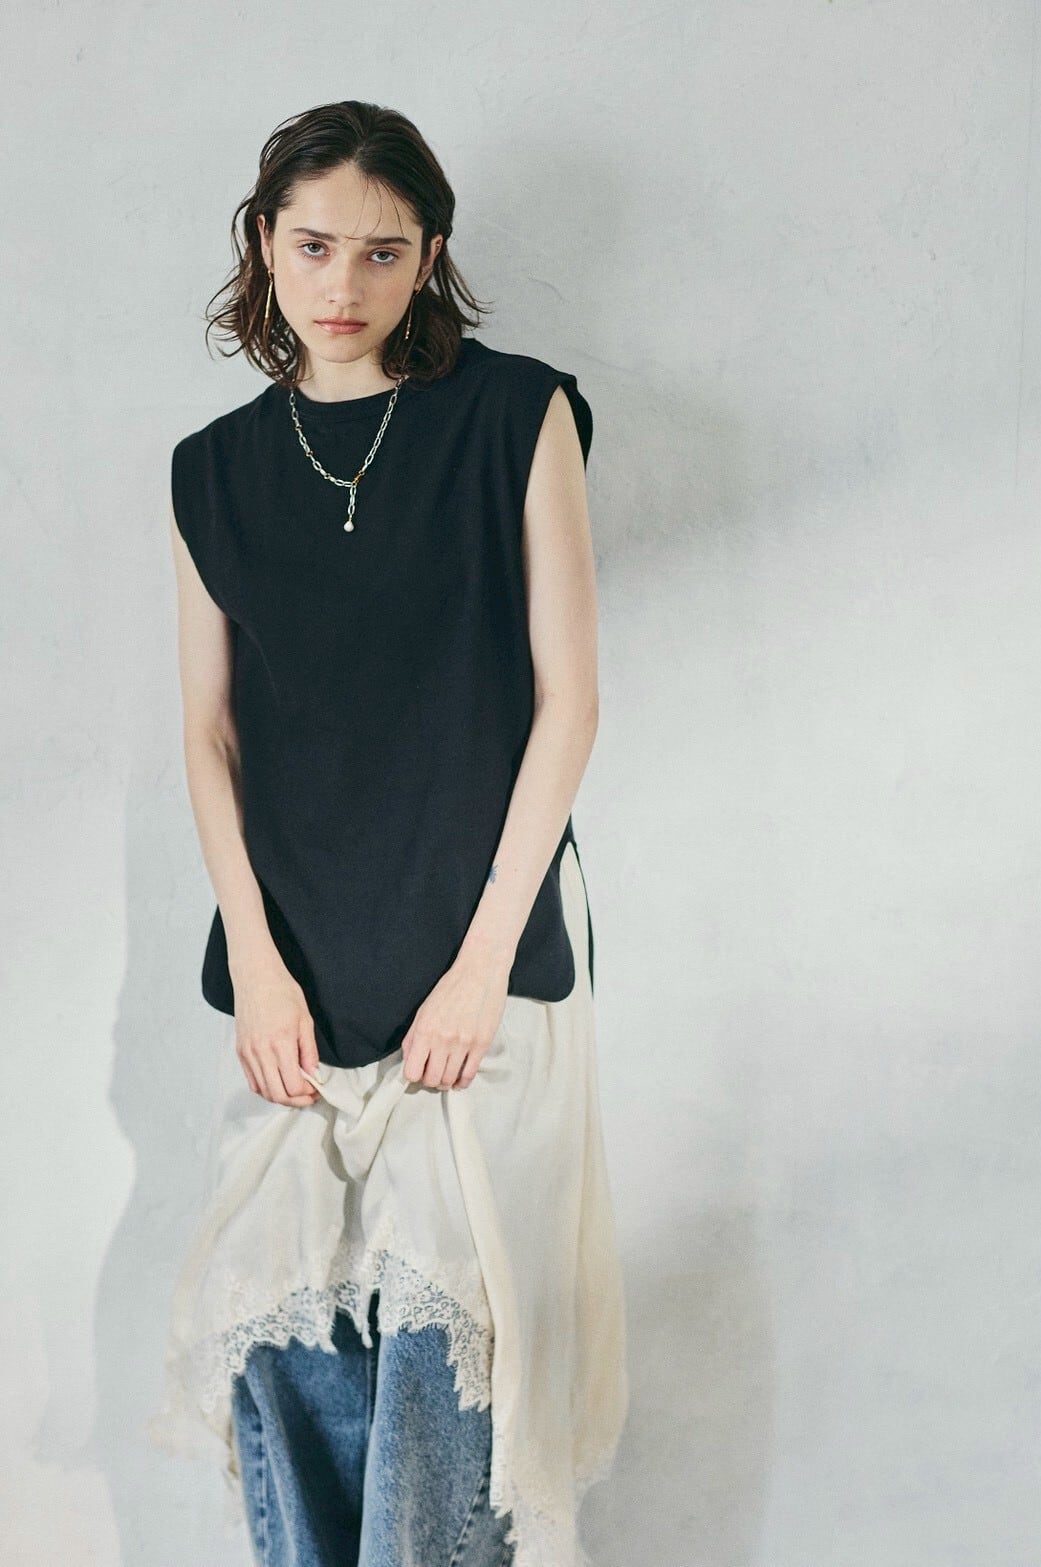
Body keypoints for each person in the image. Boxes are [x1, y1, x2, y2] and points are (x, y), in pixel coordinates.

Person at [146, 99, 629, 1567]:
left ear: (429, 256)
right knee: (294, 1397)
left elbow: (568, 706)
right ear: (262, 244)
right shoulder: (211, 470)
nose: (342, 284)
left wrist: (480, 967)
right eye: (311, 246)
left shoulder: (517, 418)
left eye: (381, 250)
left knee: (450, 1396)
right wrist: (256, 961)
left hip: (481, 967)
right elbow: (208, 736)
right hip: (293, 975)